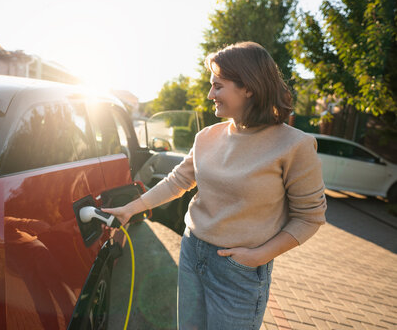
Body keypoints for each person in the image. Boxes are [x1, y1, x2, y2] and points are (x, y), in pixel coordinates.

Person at [101, 41, 327, 330]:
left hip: (239, 269)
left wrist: (258, 256)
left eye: (218, 86)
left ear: (248, 87)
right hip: (192, 251)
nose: (211, 95)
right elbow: (178, 181)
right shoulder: (207, 136)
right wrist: (131, 209)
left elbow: (310, 217)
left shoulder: (295, 145)